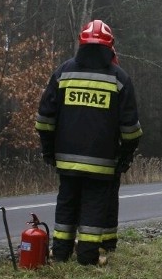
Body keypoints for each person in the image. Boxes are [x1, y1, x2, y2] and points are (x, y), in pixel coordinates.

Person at [35, 20, 142, 265]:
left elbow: (44, 118)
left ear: (81, 44)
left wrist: (48, 149)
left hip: (66, 159)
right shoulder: (120, 79)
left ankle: (60, 254)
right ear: (110, 47)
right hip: (102, 163)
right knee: (94, 207)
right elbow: (131, 129)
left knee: (66, 204)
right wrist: (126, 155)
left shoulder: (64, 72)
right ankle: (87, 257)